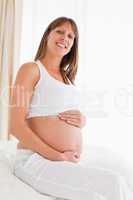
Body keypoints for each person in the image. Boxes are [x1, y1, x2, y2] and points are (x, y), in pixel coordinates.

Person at [10, 17, 132, 200]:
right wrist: (57, 156)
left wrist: (81, 121)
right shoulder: (31, 69)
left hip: (64, 160)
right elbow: (15, 126)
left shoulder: (67, 79)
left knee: (117, 183)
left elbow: (59, 111)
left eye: (71, 36)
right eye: (59, 31)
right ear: (47, 35)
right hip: (36, 160)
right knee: (113, 183)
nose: (65, 38)